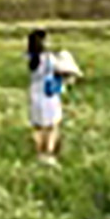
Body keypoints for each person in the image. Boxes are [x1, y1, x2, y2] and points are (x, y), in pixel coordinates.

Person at [27, 29, 70, 166]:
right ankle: (48, 155)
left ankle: (39, 154)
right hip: (48, 94)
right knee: (51, 126)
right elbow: (62, 69)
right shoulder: (49, 58)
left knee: (38, 126)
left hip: (35, 94)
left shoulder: (31, 57)